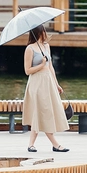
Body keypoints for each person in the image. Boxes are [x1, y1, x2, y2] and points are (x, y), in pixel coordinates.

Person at [22, 24, 69, 152]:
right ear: (39, 32)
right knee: (42, 112)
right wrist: (41, 64)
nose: (45, 33)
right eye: (43, 31)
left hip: (48, 82)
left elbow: (50, 67)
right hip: (36, 83)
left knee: (43, 112)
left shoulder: (46, 46)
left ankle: (31, 144)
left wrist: (56, 84)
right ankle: (55, 144)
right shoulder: (30, 49)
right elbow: (27, 70)